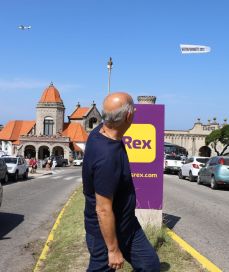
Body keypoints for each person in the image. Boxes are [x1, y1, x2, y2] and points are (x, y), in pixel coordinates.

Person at [82, 92, 160, 271]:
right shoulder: (107, 157)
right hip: (105, 234)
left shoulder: (100, 131)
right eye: (133, 108)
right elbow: (102, 209)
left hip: (128, 225)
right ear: (128, 115)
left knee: (150, 266)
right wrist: (113, 249)